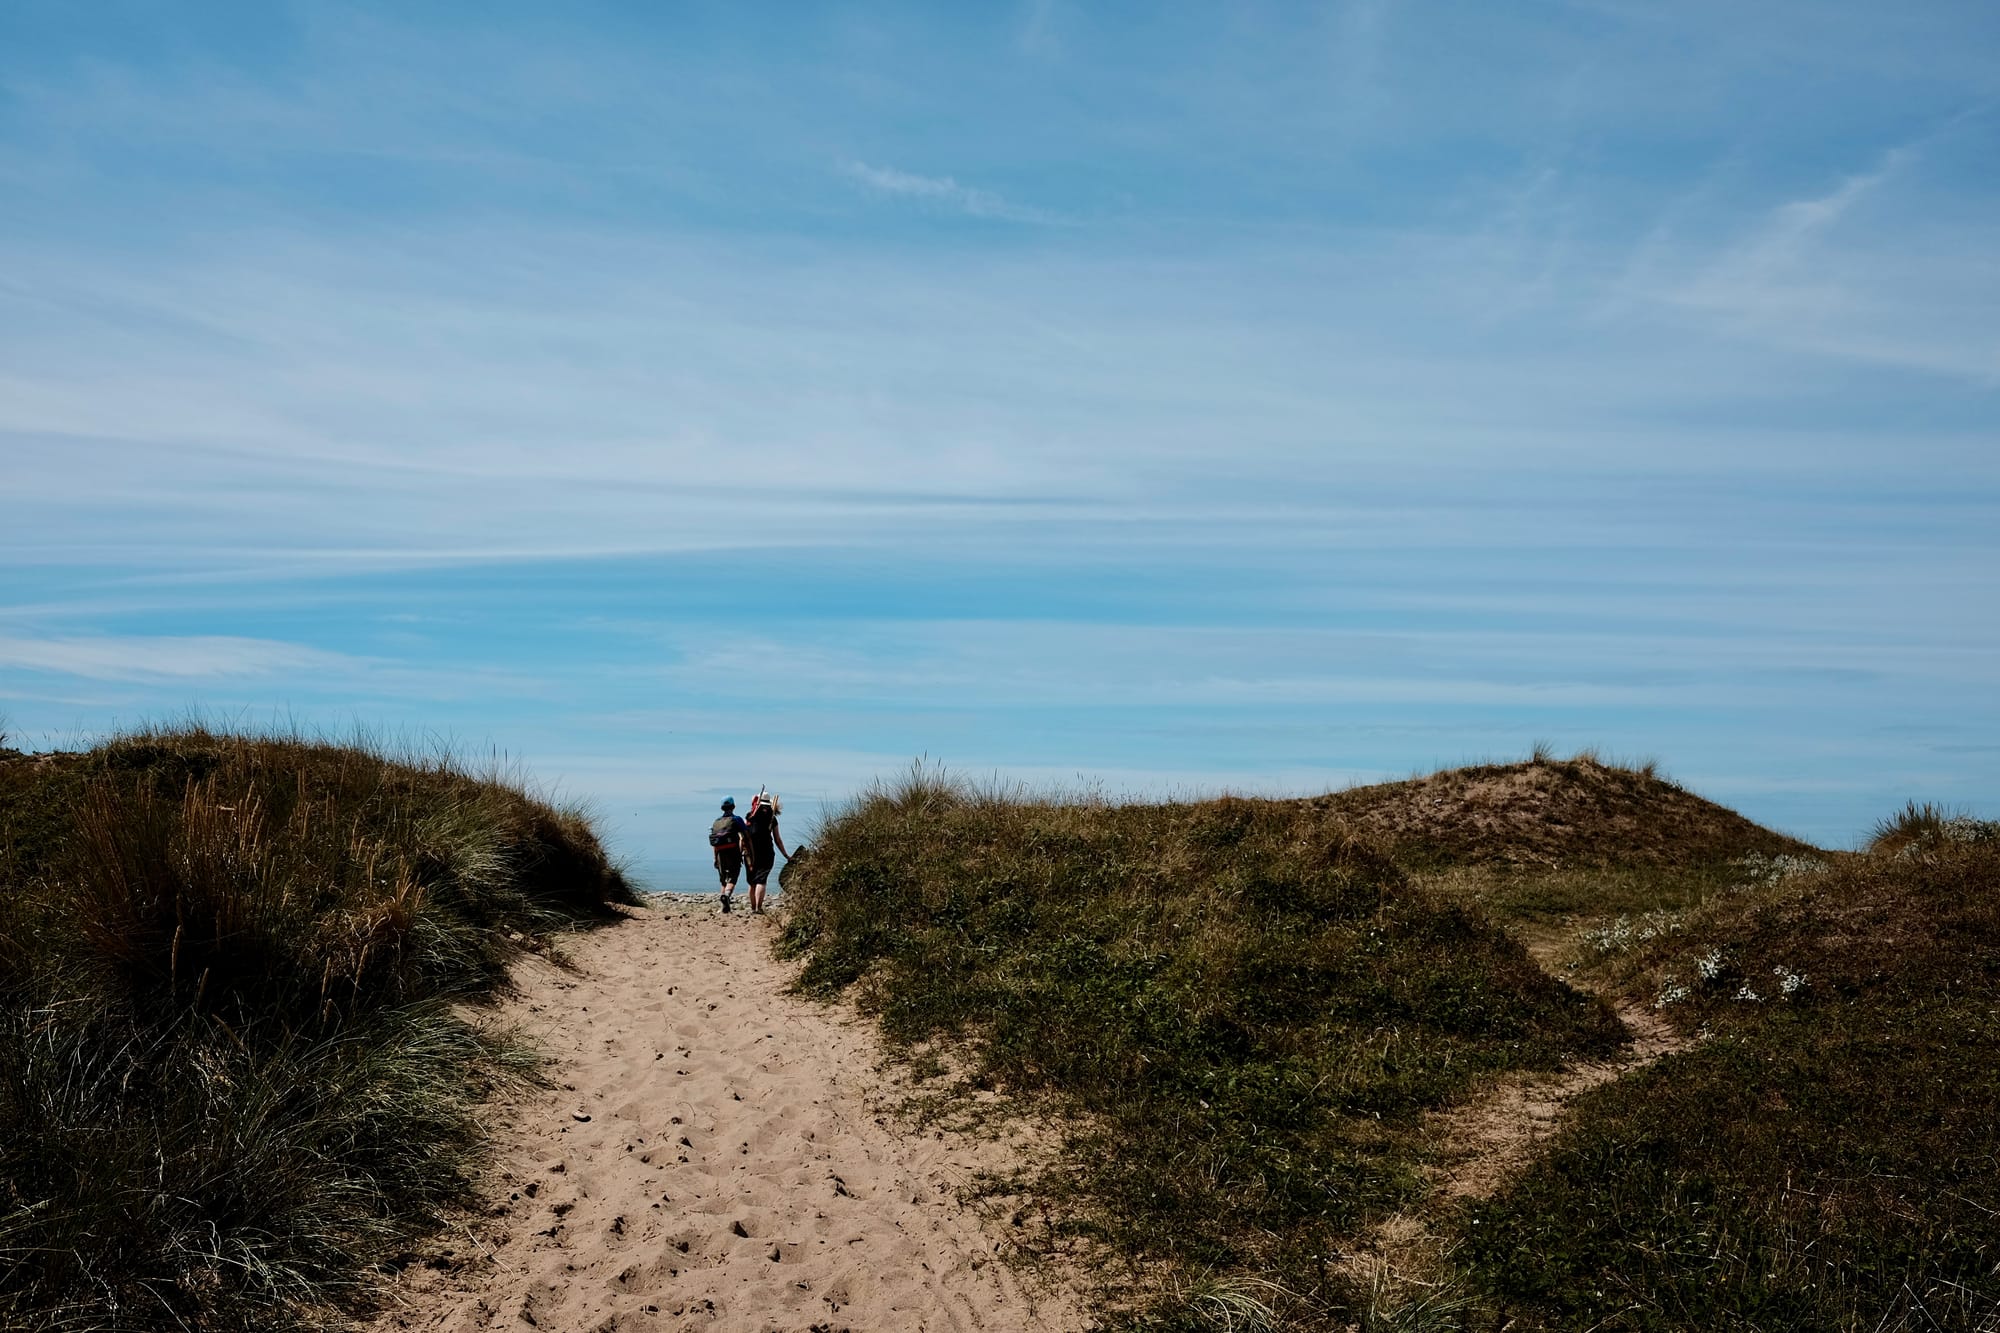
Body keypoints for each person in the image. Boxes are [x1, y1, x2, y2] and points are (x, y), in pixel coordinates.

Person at [743, 789, 789, 915]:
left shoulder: (749, 816)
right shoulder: (772, 818)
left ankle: (753, 908)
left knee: (752, 882)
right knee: (761, 880)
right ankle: (759, 908)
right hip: (767, 852)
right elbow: (778, 840)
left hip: (750, 855)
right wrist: (786, 855)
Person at [708, 797, 746, 913]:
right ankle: (727, 896)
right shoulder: (737, 819)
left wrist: (715, 858)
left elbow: (714, 843)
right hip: (733, 852)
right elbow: (746, 835)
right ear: (733, 806)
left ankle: (724, 905)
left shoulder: (716, 822)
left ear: (722, 808)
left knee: (723, 880)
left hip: (719, 854)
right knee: (732, 878)